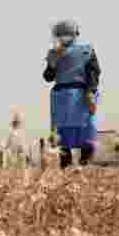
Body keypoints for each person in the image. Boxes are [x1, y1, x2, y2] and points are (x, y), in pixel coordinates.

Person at [44, 19, 100, 168]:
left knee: (85, 134)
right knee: (62, 138)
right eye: (59, 35)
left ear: (74, 34)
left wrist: (90, 92)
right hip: (61, 96)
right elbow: (48, 77)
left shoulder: (86, 50)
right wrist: (52, 63)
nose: (61, 38)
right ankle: (67, 170)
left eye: (63, 34)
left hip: (81, 95)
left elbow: (93, 73)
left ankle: (84, 166)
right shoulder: (54, 53)